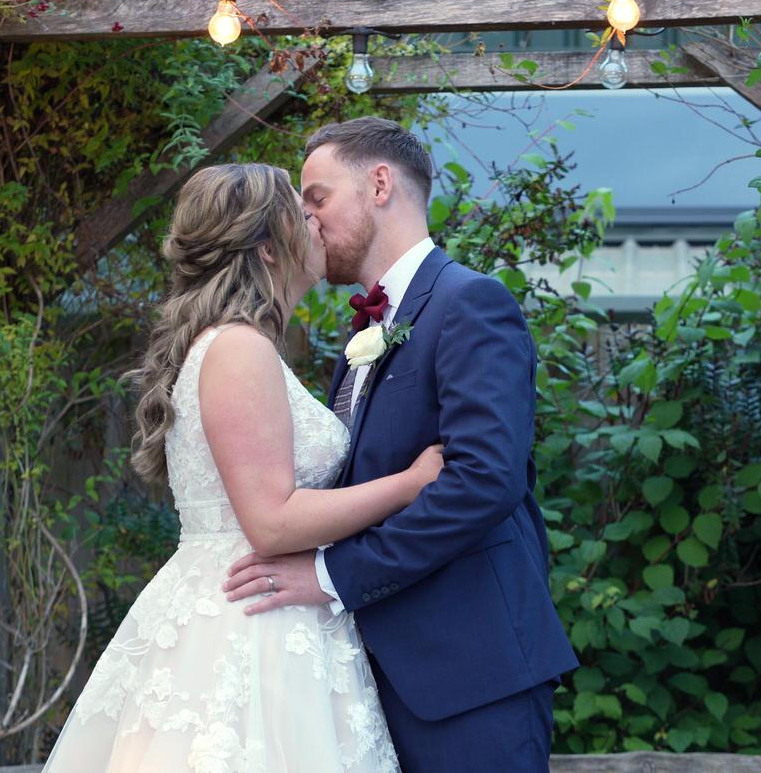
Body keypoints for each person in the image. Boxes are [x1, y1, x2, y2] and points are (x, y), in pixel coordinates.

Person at [44, 163, 441, 772]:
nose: (317, 225)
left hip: (264, 605)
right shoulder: (237, 348)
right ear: (266, 246)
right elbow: (272, 521)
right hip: (246, 623)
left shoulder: (239, 343)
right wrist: (410, 484)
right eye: (302, 214)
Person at [221, 117, 578, 772]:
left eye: (318, 197)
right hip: (366, 686)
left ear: (379, 184)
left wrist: (330, 577)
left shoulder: (471, 303)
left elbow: (481, 482)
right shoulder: (364, 330)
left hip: (471, 679)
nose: (307, 219)